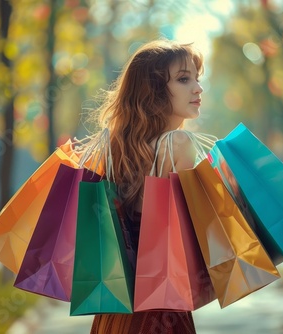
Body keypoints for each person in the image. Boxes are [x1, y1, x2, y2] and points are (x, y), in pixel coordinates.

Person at [87, 39, 204, 334]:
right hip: (161, 303)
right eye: (183, 79)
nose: (198, 89)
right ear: (153, 90)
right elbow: (198, 230)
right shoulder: (178, 144)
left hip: (116, 307)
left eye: (196, 78)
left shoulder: (113, 151)